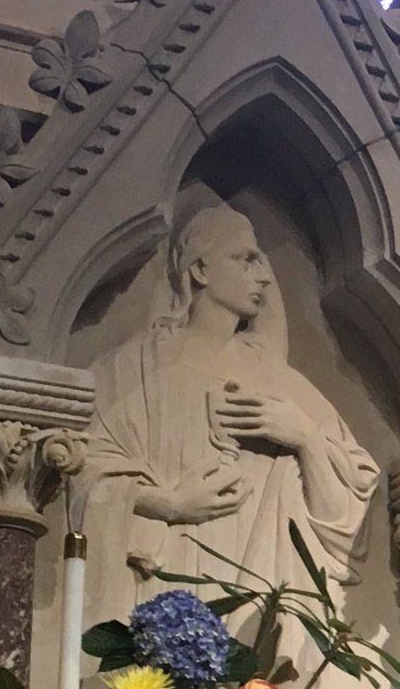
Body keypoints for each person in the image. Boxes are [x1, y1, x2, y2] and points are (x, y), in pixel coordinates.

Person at [82, 206, 379, 637]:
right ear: (200, 269)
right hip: (164, 596)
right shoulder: (137, 370)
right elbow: (86, 469)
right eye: (246, 259)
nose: (263, 278)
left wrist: (306, 439)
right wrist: (169, 504)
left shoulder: (276, 380)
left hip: (255, 609)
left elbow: (347, 510)